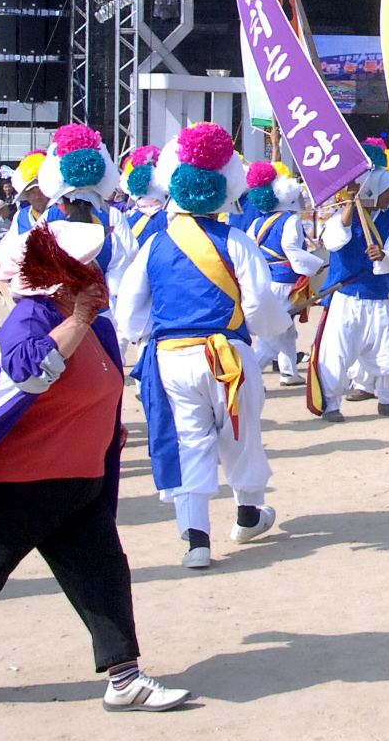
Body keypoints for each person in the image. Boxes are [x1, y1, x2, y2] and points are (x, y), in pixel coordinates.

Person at [0, 225, 190, 711]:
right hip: (17, 483)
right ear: (60, 277)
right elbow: (30, 375)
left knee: (104, 574)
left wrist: (104, 428)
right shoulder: (30, 319)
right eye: (87, 268)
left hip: (78, 479)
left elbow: (103, 384)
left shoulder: (96, 321)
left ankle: (125, 676)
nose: (99, 274)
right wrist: (75, 320)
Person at [113, 123, 288, 569]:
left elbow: (131, 311)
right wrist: (271, 329)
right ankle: (248, 514)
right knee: (241, 433)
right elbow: (261, 302)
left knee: (189, 441)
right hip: (229, 353)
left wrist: (144, 337)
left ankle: (197, 541)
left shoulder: (153, 243)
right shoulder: (237, 241)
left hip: (172, 356)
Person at [313, 152, 389, 419]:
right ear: (374, 189)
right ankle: (332, 404)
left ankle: (387, 400)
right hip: (346, 296)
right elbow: (333, 241)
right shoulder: (344, 213)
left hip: (379, 294)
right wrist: (350, 203)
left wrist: (385, 256)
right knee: (336, 353)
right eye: (388, 191)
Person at [234, 163, 321, 388]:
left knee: (286, 329)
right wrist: (316, 265)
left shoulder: (257, 222)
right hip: (285, 281)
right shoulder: (290, 220)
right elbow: (291, 250)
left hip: (267, 278)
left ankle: (289, 371)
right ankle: (248, 374)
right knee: (275, 332)